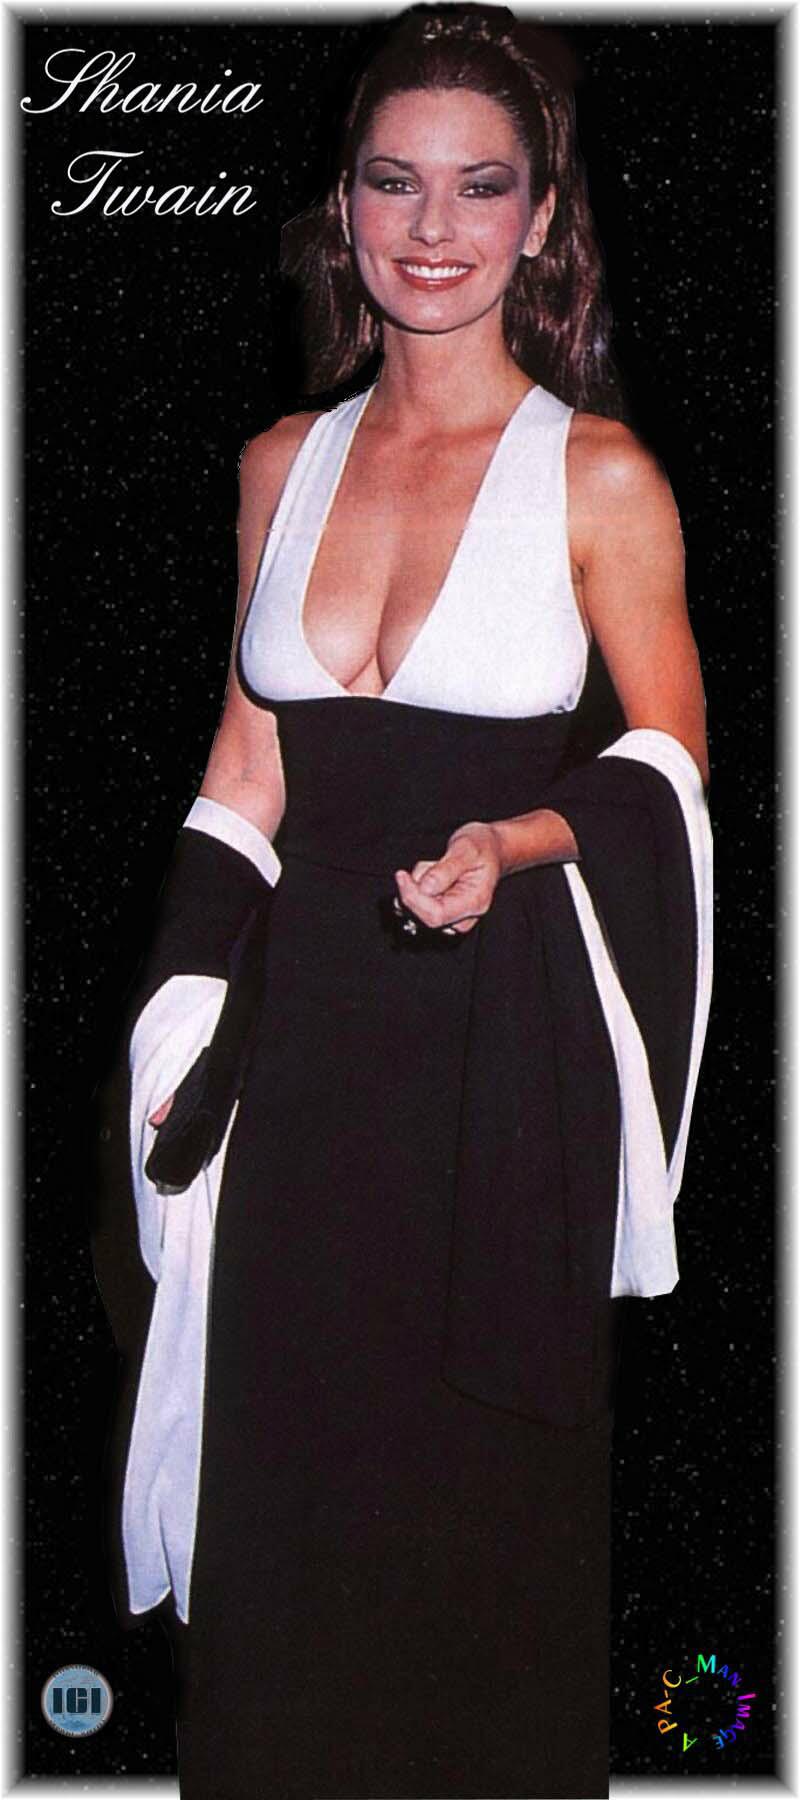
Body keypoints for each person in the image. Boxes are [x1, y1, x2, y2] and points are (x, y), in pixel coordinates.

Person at [91, 5, 713, 1796]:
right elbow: (246, 771)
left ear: (542, 216)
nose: (433, 228)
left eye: (480, 186)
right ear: (345, 207)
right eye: (393, 182)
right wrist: (175, 1018)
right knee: (282, 1527)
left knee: (474, 1533)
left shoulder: (600, 475)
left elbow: (670, 764)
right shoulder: (277, 463)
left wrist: (510, 843)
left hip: (494, 1074)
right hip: (295, 1074)